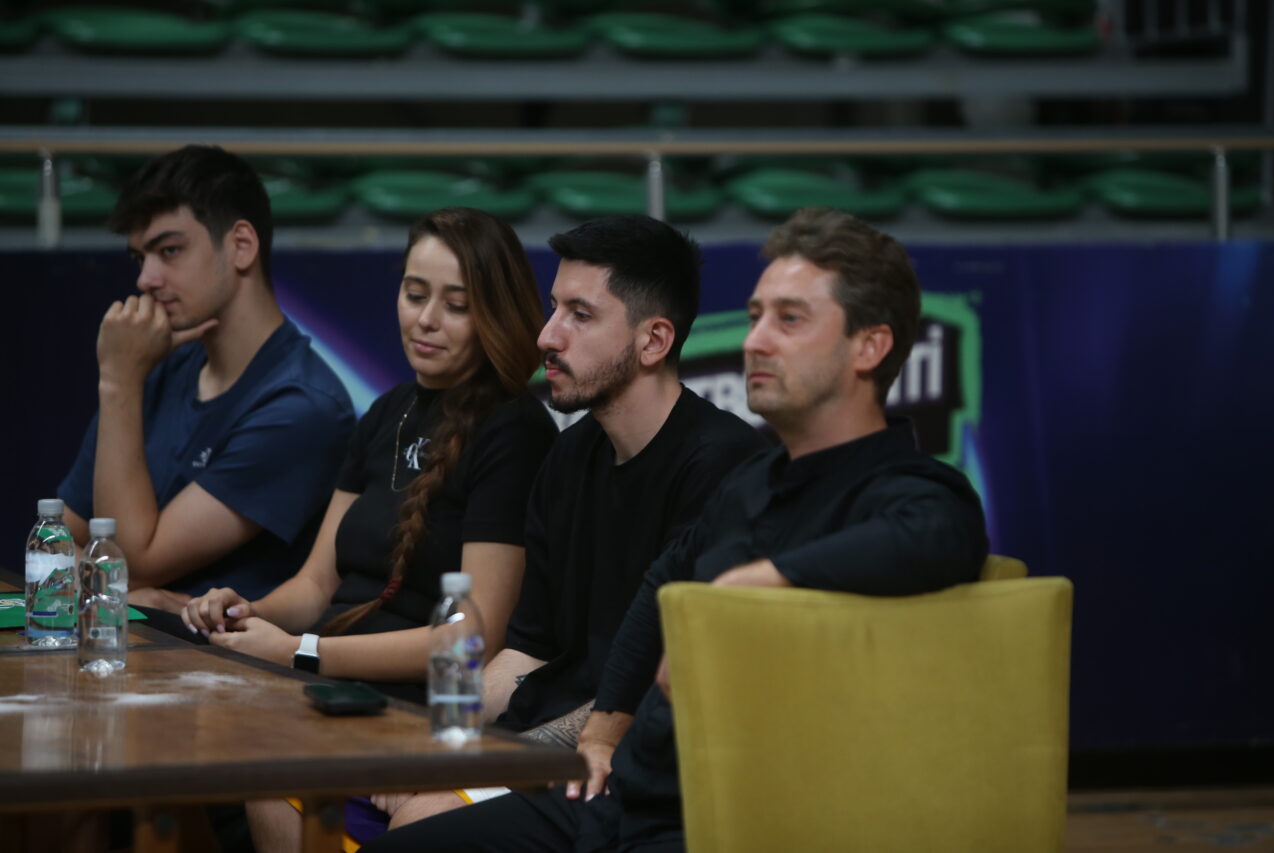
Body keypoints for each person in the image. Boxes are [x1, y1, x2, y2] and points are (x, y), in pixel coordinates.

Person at [361, 206, 990, 853]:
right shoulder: (756, 480)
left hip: (713, 812)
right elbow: (656, 595)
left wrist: (763, 581)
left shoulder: (903, 487)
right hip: (623, 795)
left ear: (870, 346)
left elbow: (940, 531)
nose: (755, 341)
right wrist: (600, 732)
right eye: (755, 316)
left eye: (789, 319)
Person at [371, 215, 765, 836]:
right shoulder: (569, 454)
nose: (546, 336)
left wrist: (482, 759)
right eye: (554, 308)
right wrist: (436, 739)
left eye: (580, 315)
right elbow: (525, 652)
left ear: (654, 341)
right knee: (296, 784)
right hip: (543, 747)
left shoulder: (723, 467)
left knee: (423, 817)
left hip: (637, 769)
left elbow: (660, 691)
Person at [182, 206, 558, 852]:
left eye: (455, 305)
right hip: (322, 688)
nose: (426, 319)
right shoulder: (387, 412)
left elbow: (471, 638)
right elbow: (314, 585)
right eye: (414, 294)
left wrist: (298, 651)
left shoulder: (514, 430)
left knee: (264, 771)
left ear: (495, 315)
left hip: (405, 707)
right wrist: (246, 615)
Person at [57, 145, 355, 609]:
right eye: (140, 258)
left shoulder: (303, 405)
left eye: (169, 250)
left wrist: (117, 383)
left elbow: (129, 564)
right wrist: (130, 592)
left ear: (241, 246)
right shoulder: (153, 367)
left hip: (215, 654)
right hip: (125, 640)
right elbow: (54, 541)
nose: (146, 279)